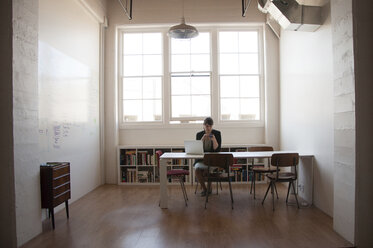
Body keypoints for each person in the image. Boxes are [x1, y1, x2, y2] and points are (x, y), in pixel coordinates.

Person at [194, 117, 222, 196]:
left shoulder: (217, 134)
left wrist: (214, 140)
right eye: (206, 126)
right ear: (203, 126)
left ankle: (209, 189)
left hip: (213, 160)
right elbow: (197, 149)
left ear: (212, 126)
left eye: (210, 126)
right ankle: (205, 189)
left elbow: (217, 150)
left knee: (208, 170)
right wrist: (202, 139)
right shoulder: (199, 134)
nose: (208, 127)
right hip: (201, 160)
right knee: (197, 170)